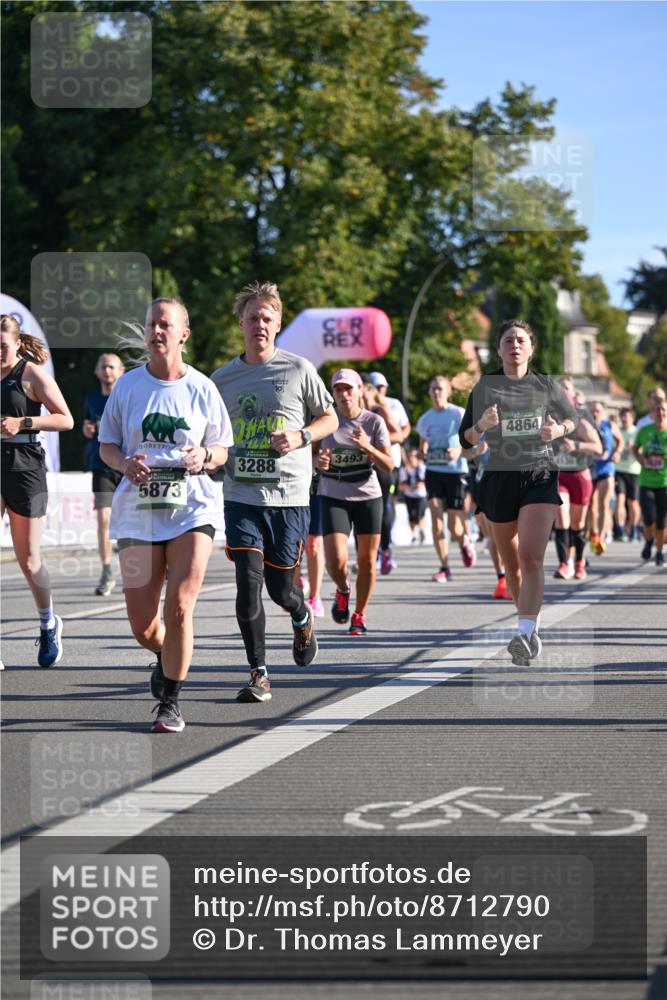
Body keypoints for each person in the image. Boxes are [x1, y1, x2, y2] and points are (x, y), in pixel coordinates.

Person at [99, 298, 233, 733]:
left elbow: (222, 449)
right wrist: (124, 465)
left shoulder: (202, 388)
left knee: (179, 608)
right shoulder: (128, 387)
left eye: (165, 324)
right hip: (138, 512)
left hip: (192, 508)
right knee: (143, 625)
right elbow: (107, 445)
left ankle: (171, 701)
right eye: (151, 324)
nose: (156, 331)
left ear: (183, 335)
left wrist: (204, 455)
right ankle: (164, 654)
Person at [211, 281, 337, 704]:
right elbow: (212, 434)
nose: (259, 324)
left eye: (267, 318)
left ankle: (301, 617)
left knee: (280, 589)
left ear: (278, 324)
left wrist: (301, 437)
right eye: (252, 318)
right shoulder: (222, 379)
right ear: (241, 324)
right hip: (241, 496)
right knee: (247, 585)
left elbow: (330, 419)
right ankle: (258, 673)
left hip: (288, 498)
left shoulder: (298, 369)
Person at [460, 319, 578, 666]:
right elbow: (464, 436)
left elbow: (573, 418)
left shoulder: (546, 385)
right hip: (499, 476)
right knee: (511, 567)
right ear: (498, 349)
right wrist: (482, 426)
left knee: (530, 556)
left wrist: (558, 429)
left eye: (521, 340)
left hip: (538, 473)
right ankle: (530, 624)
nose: (514, 345)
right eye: (508, 340)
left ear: (531, 348)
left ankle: (524, 633)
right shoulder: (485, 386)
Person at [1, 314, 74, 667]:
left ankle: (48, 622)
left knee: (28, 559)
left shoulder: (29, 375)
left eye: (2, 346)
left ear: (16, 343)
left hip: (25, 468)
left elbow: (65, 418)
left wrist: (23, 422)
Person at [316, 368, 392, 635]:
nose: (344, 394)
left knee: (367, 561)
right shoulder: (327, 421)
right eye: (338, 389)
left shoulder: (373, 422)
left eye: (349, 388)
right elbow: (311, 456)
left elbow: (389, 465)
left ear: (360, 390)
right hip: (333, 493)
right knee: (335, 561)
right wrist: (318, 462)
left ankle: (359, 614)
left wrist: (367, 446)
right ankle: (343, 589)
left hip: (367, 495)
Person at [417, 375, 476, 582]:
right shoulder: (425, 419)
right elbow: (422, 446)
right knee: (435, 518)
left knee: (454, 527)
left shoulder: (458, 414)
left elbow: (470, 440)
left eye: (440, 389)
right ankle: (444, 566)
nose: (436, 392)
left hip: (455, 473)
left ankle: (464, 542)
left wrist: (459, 449)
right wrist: (422, 454)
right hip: (434, 472)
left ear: (448, 391)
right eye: (433, 389)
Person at [552, 377, 603, 580]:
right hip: (559, 475)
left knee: (577, 523)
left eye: (566, 389)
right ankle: (564, 564)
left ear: (573, 394)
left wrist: (577, 446)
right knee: (561, 516)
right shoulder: (549, 415)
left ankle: (580, 562)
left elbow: (598, 448)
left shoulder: (581, 417)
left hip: (580, 475)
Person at [83, 353, 125, 595]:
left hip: (127, 466)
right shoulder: (90, 399)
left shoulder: (127, 396)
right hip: (100, 467)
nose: (107, 371)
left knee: (136, 522)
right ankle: (107, 571)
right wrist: (87, 430)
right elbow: (88, 426)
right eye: (103, 367)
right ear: (97, 371)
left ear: (120, 371)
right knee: (103, 520)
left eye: (112, 367)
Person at [368, 371, 411, 574]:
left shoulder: (390, 405)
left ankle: (385, 549)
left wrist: (378, 442)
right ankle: (369, 555)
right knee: (365, 508)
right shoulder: (353, 407)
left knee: (384, 505)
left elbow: (402, 432)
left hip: (389, 463)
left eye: (381, 387)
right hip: (363, 465)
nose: (379, 390)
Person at [633, 398, 667, 566]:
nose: (661, 413)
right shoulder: (645, 431)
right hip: (646, 481)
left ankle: (659, 551)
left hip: (664, 482)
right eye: (658, 410)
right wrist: (641, 459)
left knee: (661, 521)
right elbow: (634, 447)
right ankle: (648, 539)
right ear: (653, 414)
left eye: (664, 410)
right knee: (648, 518)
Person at [589, 401, 623, 555]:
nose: (595, 413)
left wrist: (617, 452)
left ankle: (601, 539)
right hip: (590, 468)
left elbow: (620, 441)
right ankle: (594, 534)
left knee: (604, 504)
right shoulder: (586, 425)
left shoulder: (610, 425)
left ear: (603, 412)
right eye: (593, 410)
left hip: (607, 468)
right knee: (591, 506)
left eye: (598, 410)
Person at [614, 407, 642, 542]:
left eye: (627, 417)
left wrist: (634, 447)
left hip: (634, 471)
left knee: (633, 503)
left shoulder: (637, 432)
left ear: (632, 418)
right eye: (622, 417)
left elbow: (643, 451)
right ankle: (619, 530)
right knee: (619, 500)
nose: (624, 419)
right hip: (619, 470)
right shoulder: (617, 431)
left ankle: (634, 528)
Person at [399, 446, 427, 544]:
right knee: (411, 516)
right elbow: (401, 485)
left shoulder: (422, 468)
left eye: (414, 456)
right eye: (410, 456)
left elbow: (427, 482)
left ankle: (421, 530)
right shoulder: (404, 470)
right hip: (409, 495)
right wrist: (405, 486)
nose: (411, 458)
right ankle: (414, 534)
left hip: (420, 495)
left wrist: (421, 484)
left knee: (419, 515)